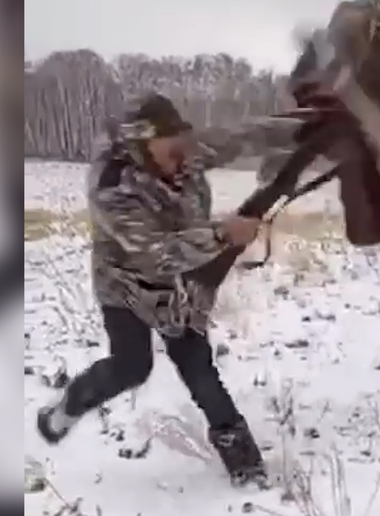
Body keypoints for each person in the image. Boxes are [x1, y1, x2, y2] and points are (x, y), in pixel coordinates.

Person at [36, 93, 285, 488]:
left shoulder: (180, 150)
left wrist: (316, 123)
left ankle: (246, 465)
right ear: (139, 145)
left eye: (185, 145)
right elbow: (156, 253)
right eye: (172, 151)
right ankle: (66, 407)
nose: (184, 157)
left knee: (197, 365)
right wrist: (223, 233)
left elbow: (247, 136)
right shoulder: (112, 186)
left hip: (175, 286)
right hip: (125, 285)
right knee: (132, 367)